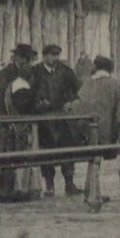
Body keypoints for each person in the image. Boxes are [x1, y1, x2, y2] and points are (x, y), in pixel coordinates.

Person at [31, 43, 83, 196]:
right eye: (52, 55)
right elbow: (29, 93)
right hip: (44, 119)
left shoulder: (66, 72)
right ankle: (49, 185)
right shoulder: (36, 72)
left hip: (62, 118)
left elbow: (78, 90)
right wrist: (37, 104)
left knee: (67, 150)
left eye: (57, 55)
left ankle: (69, 183)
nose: (55, 58)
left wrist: (70, 102)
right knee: (47, 152)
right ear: (44, 56)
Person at [0, 44, 41, 203]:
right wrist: (6, 119)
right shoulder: (6, 73)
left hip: (22, 121)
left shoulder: (30, 74)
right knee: (7, 155)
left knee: (21, 154)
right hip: (9, 121)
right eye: (25, 58)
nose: (27, 62)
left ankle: (21, 188)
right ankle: (6, 191)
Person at [75, 54, 120, 149]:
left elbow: (80, 101)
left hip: (88, 122)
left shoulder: (88, 82)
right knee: (105, 148)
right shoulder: (113, 83)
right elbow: (118, 103)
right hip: (107, 122)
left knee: (92, 148)